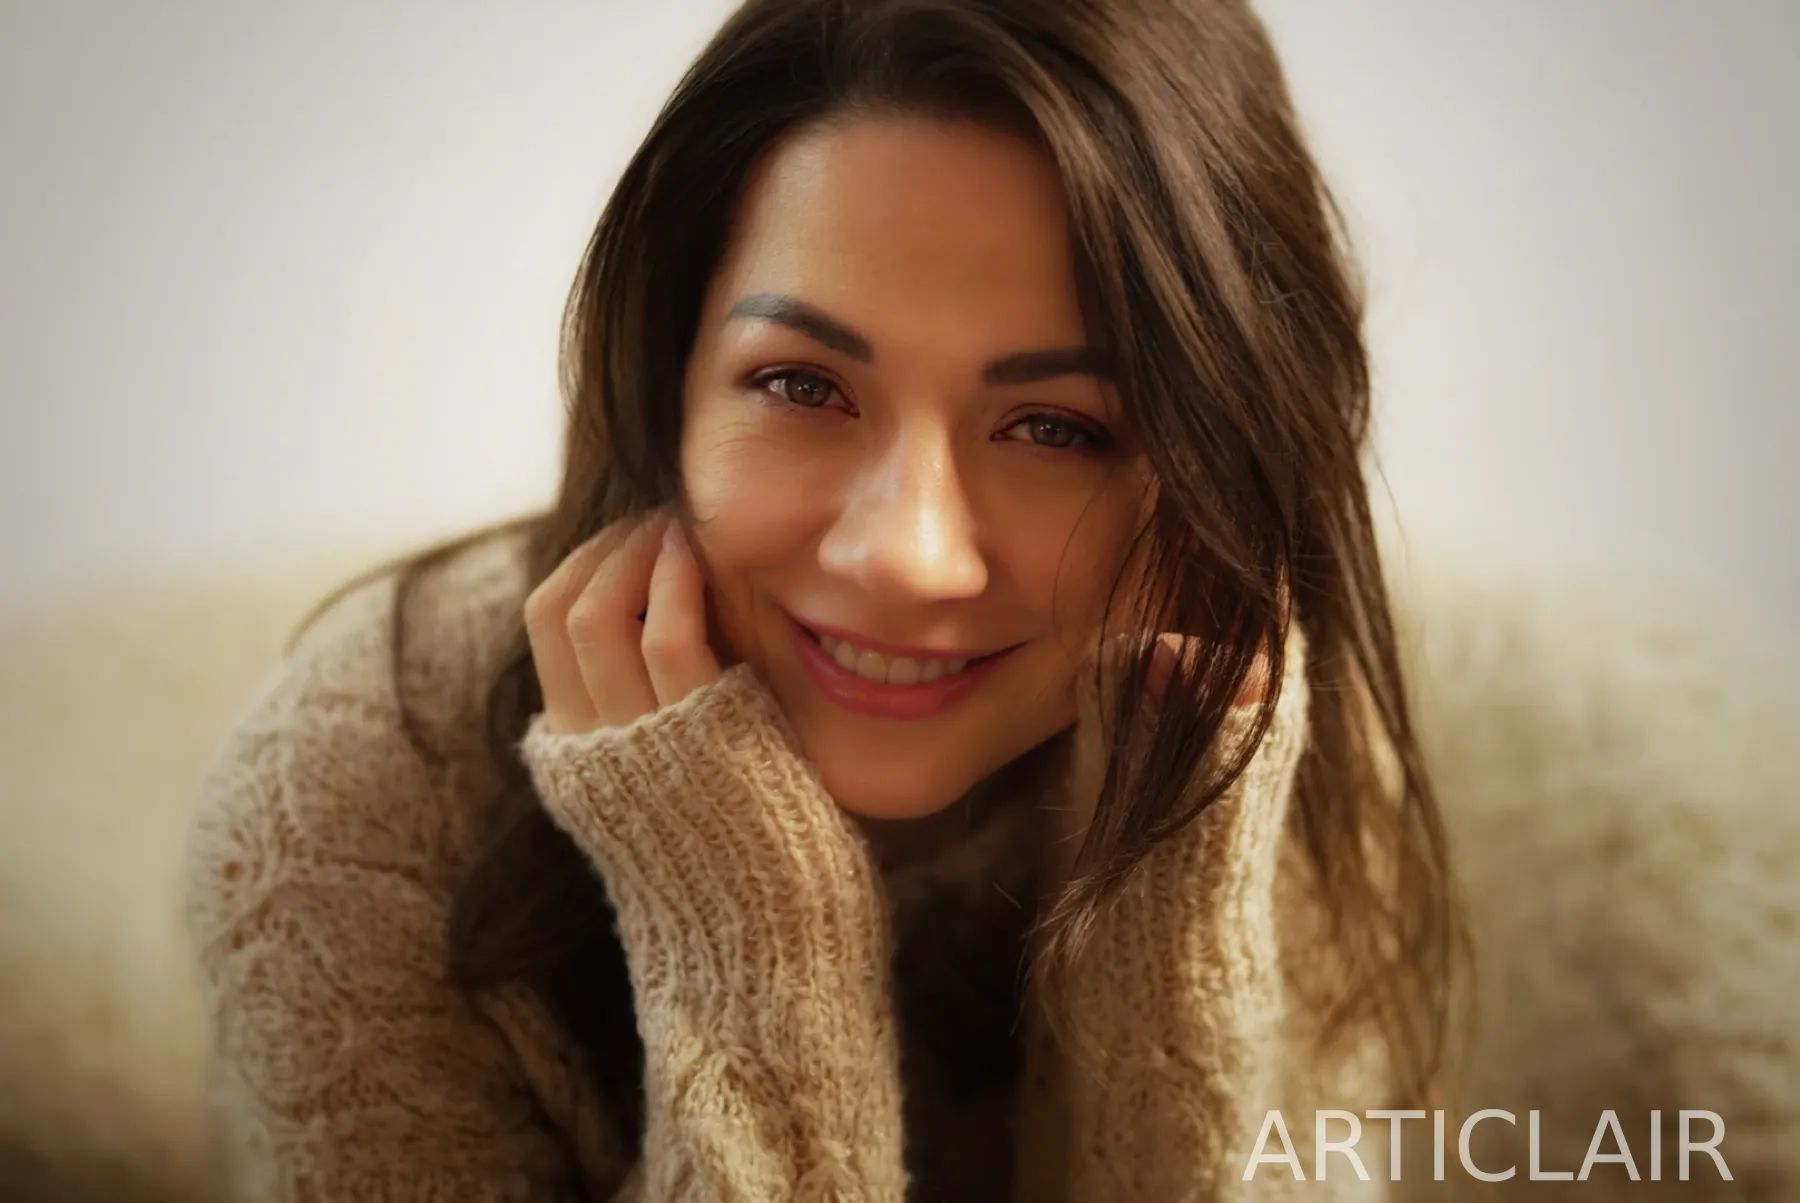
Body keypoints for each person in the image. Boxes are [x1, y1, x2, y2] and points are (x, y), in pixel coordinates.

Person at [183, 0, 1468, 1198]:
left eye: (1055, 427)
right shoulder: (356, 804)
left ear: (1215, 463)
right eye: (803, 387)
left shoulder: (1250, 727)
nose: (905, 556)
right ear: (667, 383)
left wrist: (1168, 929)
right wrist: (744, 935)